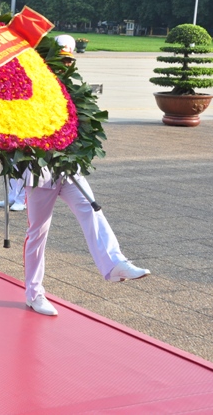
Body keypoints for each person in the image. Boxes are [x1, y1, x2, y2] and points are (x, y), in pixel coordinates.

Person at [22, 35, 150, 317]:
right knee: (37, 233)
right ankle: (34, 293)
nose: (66, 65)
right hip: (41, 171)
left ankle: (115, 262)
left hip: (69, 169)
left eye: (69, 60)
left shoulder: (73, 90)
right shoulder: (30, 88)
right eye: (62, 60)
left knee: (91, 211)